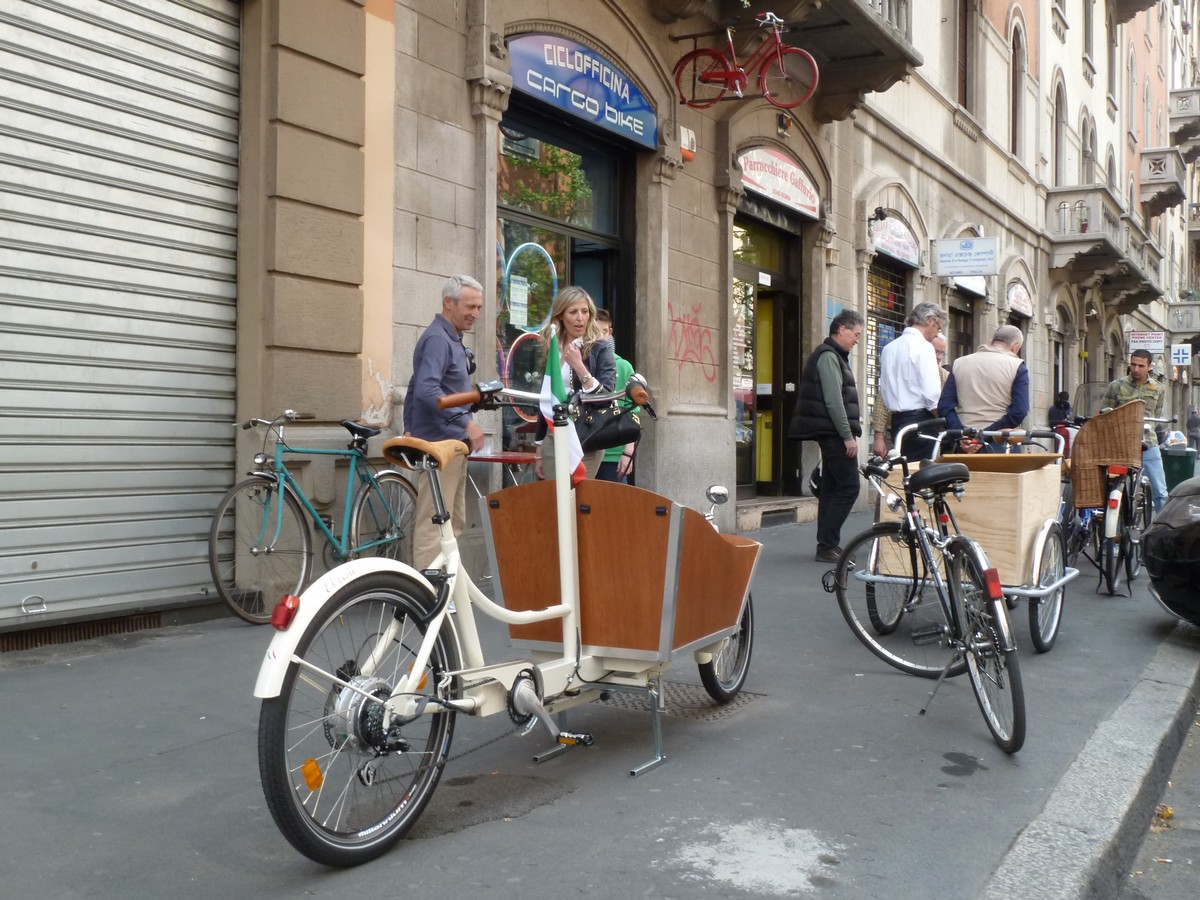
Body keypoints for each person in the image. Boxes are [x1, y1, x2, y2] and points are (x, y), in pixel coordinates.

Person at [403, 274, 486, 569]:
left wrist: (409, 426)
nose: (475, 314)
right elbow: (426, 389)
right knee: (434, 522)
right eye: (470, 307)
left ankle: (443, 587)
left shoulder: (449, 337)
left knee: (452, 521)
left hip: (450, 445)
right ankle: (427, 592)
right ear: (448, 303)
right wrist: (468, 423)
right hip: (440, 445)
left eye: (479, 307)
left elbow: (415, 385)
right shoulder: (438, 338)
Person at [788, 309, 864, 563]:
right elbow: (834, 401)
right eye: (856, 334)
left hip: (830, 431)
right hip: (833, 433)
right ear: (842, 330)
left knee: (832, 488)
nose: (857, 340)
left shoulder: (832, 355)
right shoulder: (830, 356)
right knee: (849, 486)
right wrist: (847, 436)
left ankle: (827, 545)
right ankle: (828, 544)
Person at [533, 286, 616, 481]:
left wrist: (580, 366)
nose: (580, 318)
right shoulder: (551, 348)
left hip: (586, 435)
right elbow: (545, 398)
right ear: (561, 316)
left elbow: (606, 397)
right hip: (553, 435)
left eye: (585, 311)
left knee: (577, 500)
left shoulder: (600, 349)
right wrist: (539, 446)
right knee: (555, 501)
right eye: (573, 312)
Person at [938, 324, 1029, 454]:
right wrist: (983, 435)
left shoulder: (959, 363)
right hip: (999, 444)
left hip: (963, 444)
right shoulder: (1017, 367)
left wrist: (962, 434)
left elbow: (945, 406)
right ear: (1016, 347)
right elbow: (1019, 411)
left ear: (991, 342)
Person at [877, 302, 947, 462]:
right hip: (922, 421)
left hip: (897, 421)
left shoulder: (889, 348)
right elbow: (932, 395)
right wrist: (941, 420)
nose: (937, 333)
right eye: (938, 328)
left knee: (903, 471)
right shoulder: (924, 347)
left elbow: (885, 390)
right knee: (922, 474)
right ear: (931, 320)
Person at [1100, 349, 1167, 511]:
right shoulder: (1116, 386)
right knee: (1113, 485)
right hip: (1121, 444)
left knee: (1160, 490)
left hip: (1148, 443)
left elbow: (1155, 416)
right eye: (1133, 364)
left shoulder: (1158, 388)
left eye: (1141, 366)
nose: (1136, 369)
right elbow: (1104, 413)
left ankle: (1166, 532)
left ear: (1150, 366)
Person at [593, 308, 638, 484]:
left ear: (610, 332)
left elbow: (633, 410)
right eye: (594, 332)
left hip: (614, 454)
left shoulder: (625, 367)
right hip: (586, 449)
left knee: (614, 506)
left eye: (603, 332)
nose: (599, 337)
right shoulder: (580, 364)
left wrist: (628, 451)